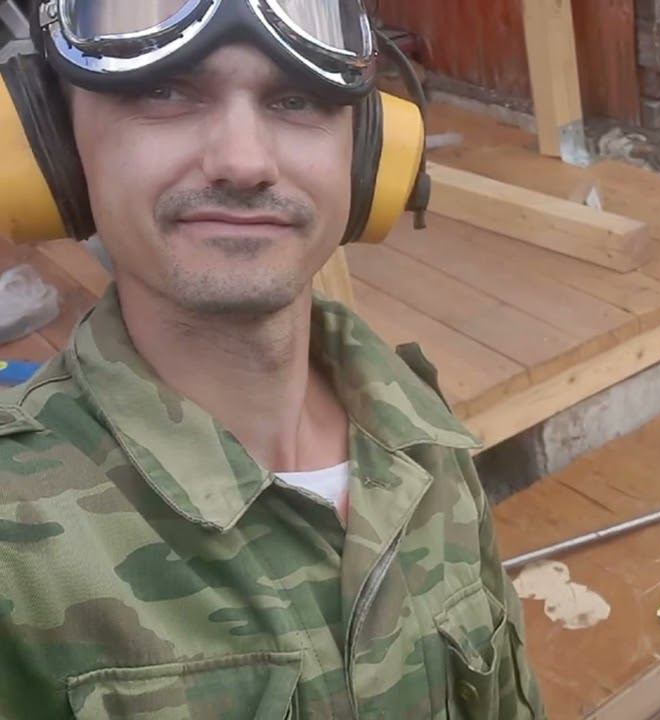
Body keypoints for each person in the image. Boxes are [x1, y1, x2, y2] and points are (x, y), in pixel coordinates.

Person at [0, 1, 544, 717]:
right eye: (164, 92)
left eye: (296, 100)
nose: (244, 163)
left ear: (367, 156)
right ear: (55, 149)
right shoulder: (16, 547)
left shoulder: (421, 428)